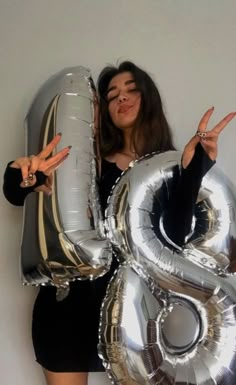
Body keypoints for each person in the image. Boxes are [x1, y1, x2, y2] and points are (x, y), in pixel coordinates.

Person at [3, 61, 235, 385]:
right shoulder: (84, 161)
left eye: (130, 90)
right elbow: (15, 193)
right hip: (69, 312)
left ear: (147, 98)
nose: (121, 99)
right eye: (112, 95)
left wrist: (194, 170)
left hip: (137, 318)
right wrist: (24, 176)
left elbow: (176, 241)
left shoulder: (167, 167)